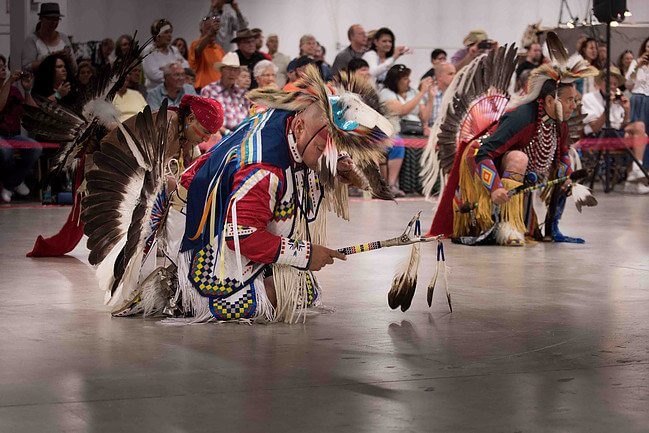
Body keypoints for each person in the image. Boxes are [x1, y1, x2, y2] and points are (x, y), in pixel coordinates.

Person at [167, 65, 393, 322]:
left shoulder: (292, 115)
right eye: (322, 149)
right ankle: (182, 288)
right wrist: (305, 255)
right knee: (280, 294)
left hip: (226, 208)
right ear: (299, 128)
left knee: (302, 290)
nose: (327, 161)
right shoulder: (264, 168)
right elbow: (240, 236)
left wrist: (342, 168)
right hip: (206, 232)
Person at [429, 36, 599, 246]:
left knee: (563, 168)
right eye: (570, 100)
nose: (575, 104)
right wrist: (496, 188)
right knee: (519, 158)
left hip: (514, 169)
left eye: (576, 99)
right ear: (549, 100)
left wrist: (565, 175)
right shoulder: (521, 117)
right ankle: (507, 227)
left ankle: (551, 226)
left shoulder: (558, 120)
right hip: (479, 157)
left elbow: (562, 151)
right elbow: (483, 153)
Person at [582, 68, 648, 194]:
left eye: (614, 84)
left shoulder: (617, 99)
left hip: (616, 133)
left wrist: (627, 110)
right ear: (600, 83)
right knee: (640, 133)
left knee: (640, 130)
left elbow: (621, 125)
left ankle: (634, 175)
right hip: (598, 134)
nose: (612, 87)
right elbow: (595, 126)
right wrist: (609, 106)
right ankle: (633, 176)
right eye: (609, 83)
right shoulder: (589, 98)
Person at [379, 64, 433, 196]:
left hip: (416, 131)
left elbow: (424, 116)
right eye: (405, 78)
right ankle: (391, 184)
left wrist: (430, 97)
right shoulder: (386, 93)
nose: (409, 81)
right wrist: (421, 93)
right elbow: (401, 111)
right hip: (394, 131)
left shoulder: (412, 93)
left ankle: (423, 185)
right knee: (397, 143)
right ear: (396, 80)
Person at [0, 57, 41, 203]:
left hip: (13, 136)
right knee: (6, 151)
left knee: (35, 148)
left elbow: (32, 113)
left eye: (4, 66)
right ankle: (13, 182)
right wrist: (9, 82)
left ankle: (12, 183)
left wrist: (28, 90)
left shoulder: (15, 91)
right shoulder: (9, 86)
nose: (3, 69)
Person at [200, 51, 248, 134]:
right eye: (229, 69)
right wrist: (227, 132)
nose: (232, 73)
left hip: (242, 134)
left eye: (235, 70)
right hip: (220, 136)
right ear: (221, 71)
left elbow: (248, 116)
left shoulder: (242, 93)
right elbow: (207, 119)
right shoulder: (209, 90)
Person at [21, 2, 76, 73]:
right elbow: (26, 67)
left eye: (56, 19)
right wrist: (48, 59)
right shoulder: (32, 40)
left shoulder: (64, 38)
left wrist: (68, 58)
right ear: (41, 18)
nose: (53, 22)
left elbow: (75, 68)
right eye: (50, 19)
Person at [142, 19, 189, 91]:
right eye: (166, 32)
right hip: (156, 93)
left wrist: (165, 69)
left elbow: (186, 67)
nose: (170, 35)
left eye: (170, 32)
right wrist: (176, 68)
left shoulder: (174, 50)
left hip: (175, 92)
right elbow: (153, 75)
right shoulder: (148, 51)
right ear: (157, 35)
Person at [189, 14, 225, 90]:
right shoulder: (195, 44)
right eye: (208, 28)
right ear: (201, 29)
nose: (212, 32)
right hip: (202, 92)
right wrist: (210, 32)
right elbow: (198, 50)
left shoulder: (219, 49)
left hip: (218, 93)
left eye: (214, 30)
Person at [629, 37, 649, 167]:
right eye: (647, 47)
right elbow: (628, 82)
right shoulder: (636, 62)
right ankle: (637, 166)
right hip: (637, 99)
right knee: (640, 132)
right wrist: (638, 66)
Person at [421, 62, 456, 127]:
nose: (454, 77)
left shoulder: (457, 95)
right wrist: (431, 99)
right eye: (450, 74)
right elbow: (424, 119)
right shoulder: (427, 94)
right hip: (431, 131)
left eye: (455, 73)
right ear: (440, 77)